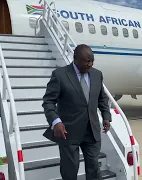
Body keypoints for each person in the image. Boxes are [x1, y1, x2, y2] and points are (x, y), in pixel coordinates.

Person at [42, 44, 111, 180]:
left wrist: (106, 116)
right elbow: (48, 102)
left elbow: (102, 98)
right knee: (70, 171)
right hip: (68, 132)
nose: (90, 64)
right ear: (75, 59)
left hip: (92, 131)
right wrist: (56, 122)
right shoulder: (60, 75)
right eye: (86, 61)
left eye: (92, 60)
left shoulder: (97, 75)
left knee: (94, 169)